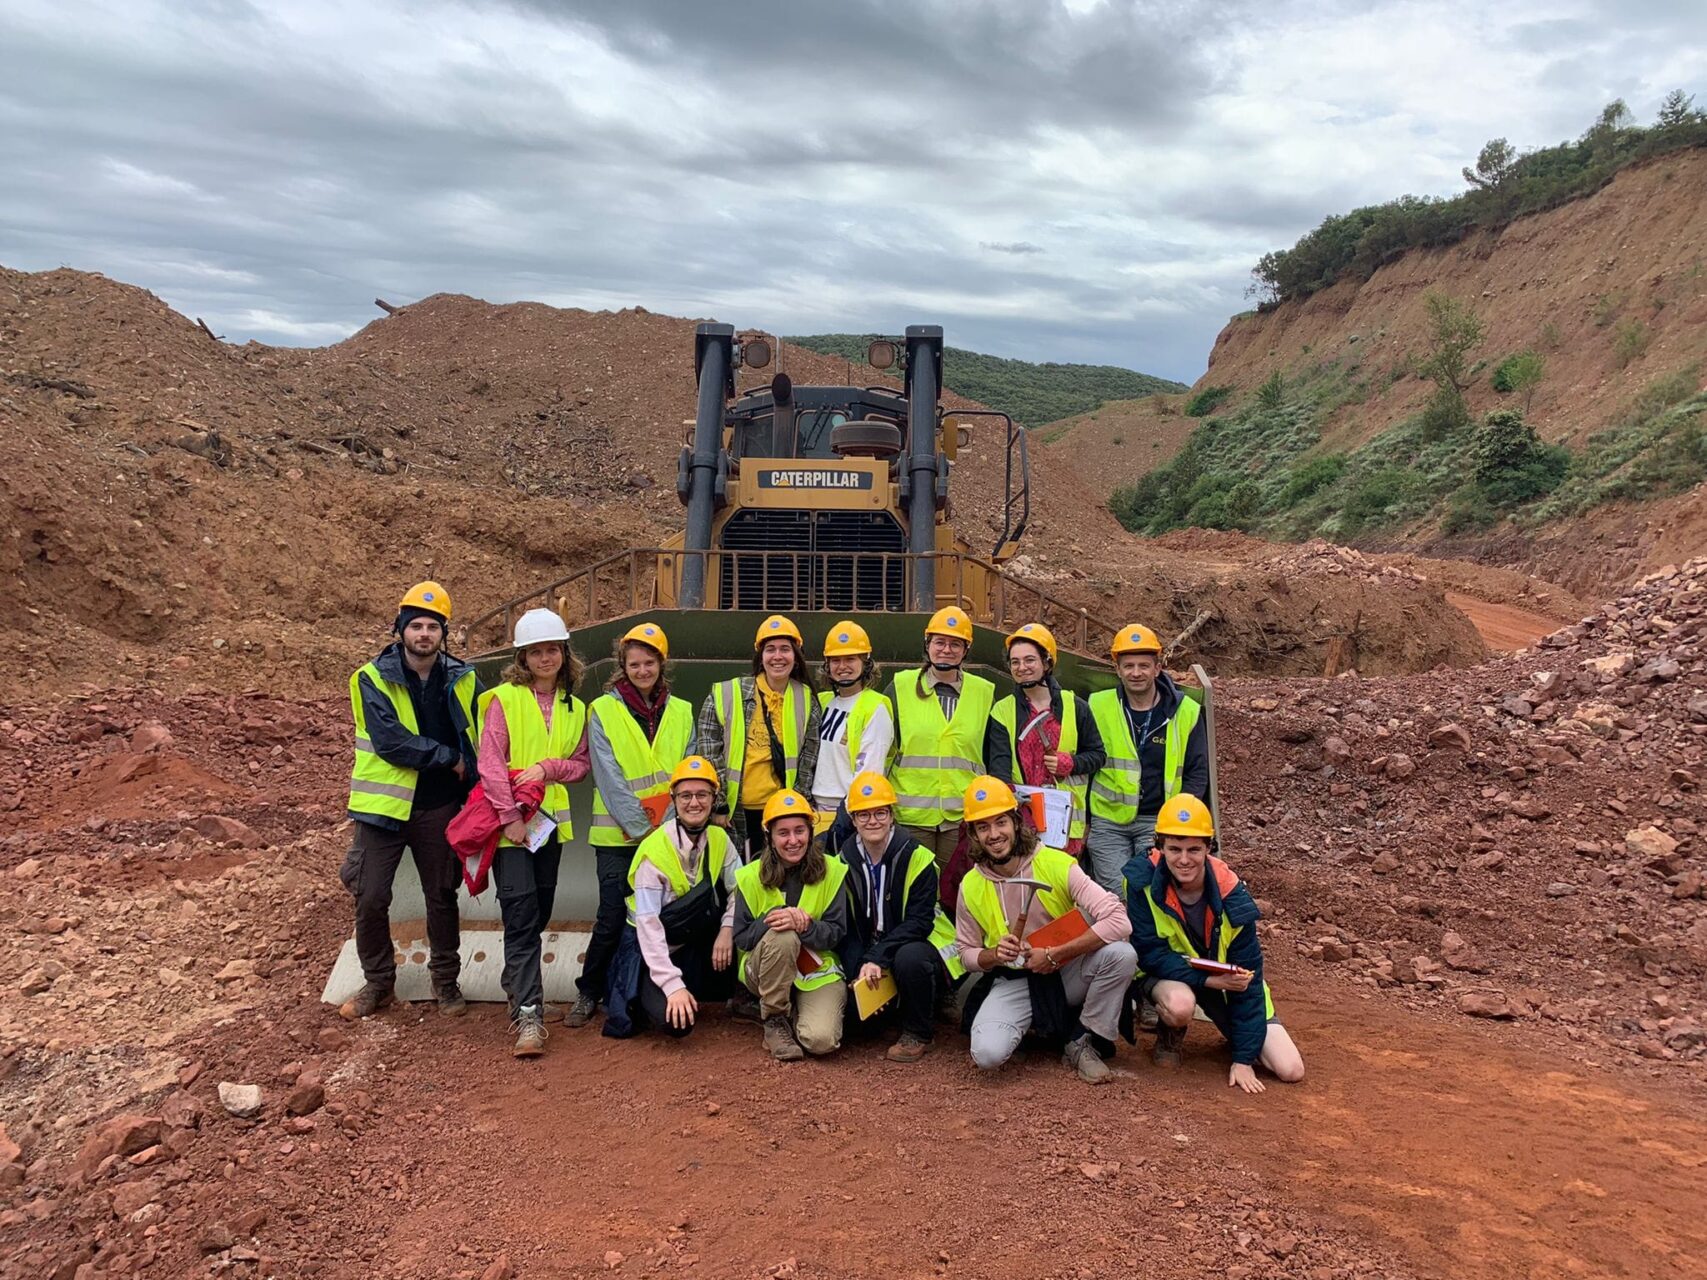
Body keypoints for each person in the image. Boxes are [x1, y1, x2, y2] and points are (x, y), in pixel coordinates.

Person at [340, 581, 481, 1021]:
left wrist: (475, 777)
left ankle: (446, 981)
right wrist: (450, 759)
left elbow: (479, 732)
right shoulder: (370, 678)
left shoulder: (463, 678)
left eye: (432, 627)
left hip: (439, 805)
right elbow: (391, 741)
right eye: (416, 625)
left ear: (443, 633)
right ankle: (379, 982)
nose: (424, 634)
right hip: (383, 808)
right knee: (370, 896)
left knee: (441, 894)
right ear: (400, 629)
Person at [953, 776, 1136, 1084]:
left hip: (1065, 972)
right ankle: (1033, 1028)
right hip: (1015, 979)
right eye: (983, 827)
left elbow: (1119, 920)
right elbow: (965, 954)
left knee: (1122, 955)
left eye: (1000, 822)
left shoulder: (1056, 864)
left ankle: (1082, 1040)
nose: (994, 834)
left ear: (1016, 821)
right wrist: (994, 955)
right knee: (987, 1055)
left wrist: (1055, 954)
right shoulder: (970, 885)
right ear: (973, 835)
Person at [1125, 795, 1304, 1093]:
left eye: (1194, 849)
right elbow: (1148, 954)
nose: (1184, 859)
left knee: (1291, 1069)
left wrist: (1243, 1059)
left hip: (1225, 986)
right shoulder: (1140, 882)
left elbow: (1249, 978)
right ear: (1160, 847)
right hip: (1171, 976)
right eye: (1175, 849)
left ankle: (1237, 1035)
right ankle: (1170, 1032)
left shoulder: (1232, 895)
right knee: (1180, 1005)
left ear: (1209, 848)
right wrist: (1208, 980)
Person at [569, 622, 697, 1029]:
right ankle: (588, 991)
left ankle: (639, 992)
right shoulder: (602, 710)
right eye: (634, 664)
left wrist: (668, 830)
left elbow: (687, 777)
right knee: (612, 917)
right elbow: (608, 777)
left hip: (667, 836)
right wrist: (644, 831)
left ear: (662, 664)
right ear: (622, 666)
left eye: (649, 663)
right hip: (619, 837)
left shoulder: (682, 711)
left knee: (660, 916)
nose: (642, 670)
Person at [476, 608, 591, 1058]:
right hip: (512, 829)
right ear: (522, 657)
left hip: (550, 828)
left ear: (564, 653)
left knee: (538, 911)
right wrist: (510, 818)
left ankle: (517, 983)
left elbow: (580, 766)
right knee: (522, 916)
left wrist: (548, 768)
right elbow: (490, 764)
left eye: (553, 650)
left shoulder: (574, 707)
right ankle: (529, 1015)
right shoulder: (503, 700)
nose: (546, 658)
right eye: (536, 651)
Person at [836, 772, 965, 1062]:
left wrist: (877, 957)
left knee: (909, 959)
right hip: (874, 946)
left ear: (892, 815)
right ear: (853, 820)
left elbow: (919, 923)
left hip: (919, 942)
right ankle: (892, 1008)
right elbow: (849, 926)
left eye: (880, 813)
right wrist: (861, 966)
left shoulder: (919, 857)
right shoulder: (843, 860)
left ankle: (919, 1032)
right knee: (859, 1026)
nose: (873, 821)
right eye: (864, 814)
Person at [614, 755, 738, 1038]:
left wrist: (727, 929)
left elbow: (740, 889)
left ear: (713, 798)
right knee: (678, 1024)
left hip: (690, 940)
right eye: (685, 795)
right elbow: (648, 927)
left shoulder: (720, 839)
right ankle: (647, 996)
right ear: (674, 800)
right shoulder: (655, 851)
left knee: (739, 927)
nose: (694, 803)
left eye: (702, 794)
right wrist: (672, 986)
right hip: (650, 950)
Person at [1083, 623, 1209, 893]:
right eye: (1128, 666)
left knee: (1151, 893)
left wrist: (1178, 823)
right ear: (1118, 669)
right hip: (1108, 821)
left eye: (1144, 665)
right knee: (1115, 895)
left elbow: (1197, 772)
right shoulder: (1098, 705)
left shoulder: (1186, 711)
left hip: (1158, 821)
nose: (1136, 673)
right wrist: (1085, 821)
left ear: (1157, 668)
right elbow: (1085, 765)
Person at [730, 790, 850, 1061]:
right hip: (763, 969)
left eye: (800, 831)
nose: (793, 840)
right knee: (783, 935)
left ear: (810, 832)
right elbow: (742, 939)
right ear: (769, 837)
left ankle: (795, 1011)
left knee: (821, 1041)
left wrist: (805, 926)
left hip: (816, 969)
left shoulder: (833, 870)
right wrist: (775, 917)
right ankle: (774, 1019)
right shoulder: (749, 876)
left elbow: (837, 933)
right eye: (783, 833)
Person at [699, 615, 821, 860]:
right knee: (738, 877)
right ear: (760, 656)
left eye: (785, 649)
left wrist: (795, 810)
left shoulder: (806, 699)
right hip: (734, 813)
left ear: (796, 656)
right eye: (770, 649)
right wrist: (719, 804)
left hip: (780, 813)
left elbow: (808, 760)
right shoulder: (727, 694)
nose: (778, 656)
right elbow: (709, 751)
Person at [985, 622, 1105, 858]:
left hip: (1066, 826)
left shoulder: (1075, 706)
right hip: (1022, 822)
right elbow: (999, 768)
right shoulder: (1002, 711)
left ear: (1047, 662)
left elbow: (1098, 755)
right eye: (1015, 662)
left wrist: (1070, 763)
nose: (1022, 667)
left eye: (1029, 660)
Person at [887, 607, 995, 867]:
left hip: (963, 815)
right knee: (915, 884)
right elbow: (882, 749)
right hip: (910, 816)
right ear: (928, 645)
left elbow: (993, 754)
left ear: (966, 649)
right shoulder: (900, 686)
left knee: (958, 885)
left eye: (955, 644)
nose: (946, 650)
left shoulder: (984, 692)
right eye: (940, 642)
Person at [811, 620, 895, 852]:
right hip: (815, 810)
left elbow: (869, 771)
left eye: (850, 659)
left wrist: (847, 816)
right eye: (835, 660)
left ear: (865, 663)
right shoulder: (824, 701)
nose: (842, 666)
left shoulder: (875, 706)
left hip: (848, 814)